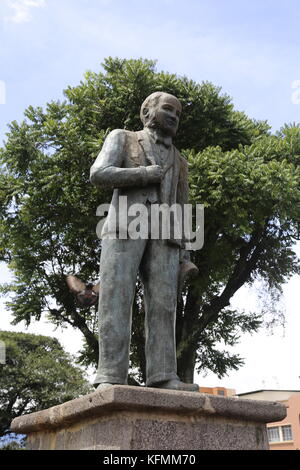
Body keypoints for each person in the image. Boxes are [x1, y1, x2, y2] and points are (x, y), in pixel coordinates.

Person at [90, 92, 198, 391]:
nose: (174, 116)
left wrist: (186, 252)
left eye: (178, 112)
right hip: (126, 226)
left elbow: (182, 206)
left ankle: (163, 375)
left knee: (164, 305)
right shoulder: (122, 138)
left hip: (166, 235)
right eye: (168, 109)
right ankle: (110, 376)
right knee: (116, 298)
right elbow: (98, 173)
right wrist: (144, 174)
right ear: (147, 111)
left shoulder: (180, 160)